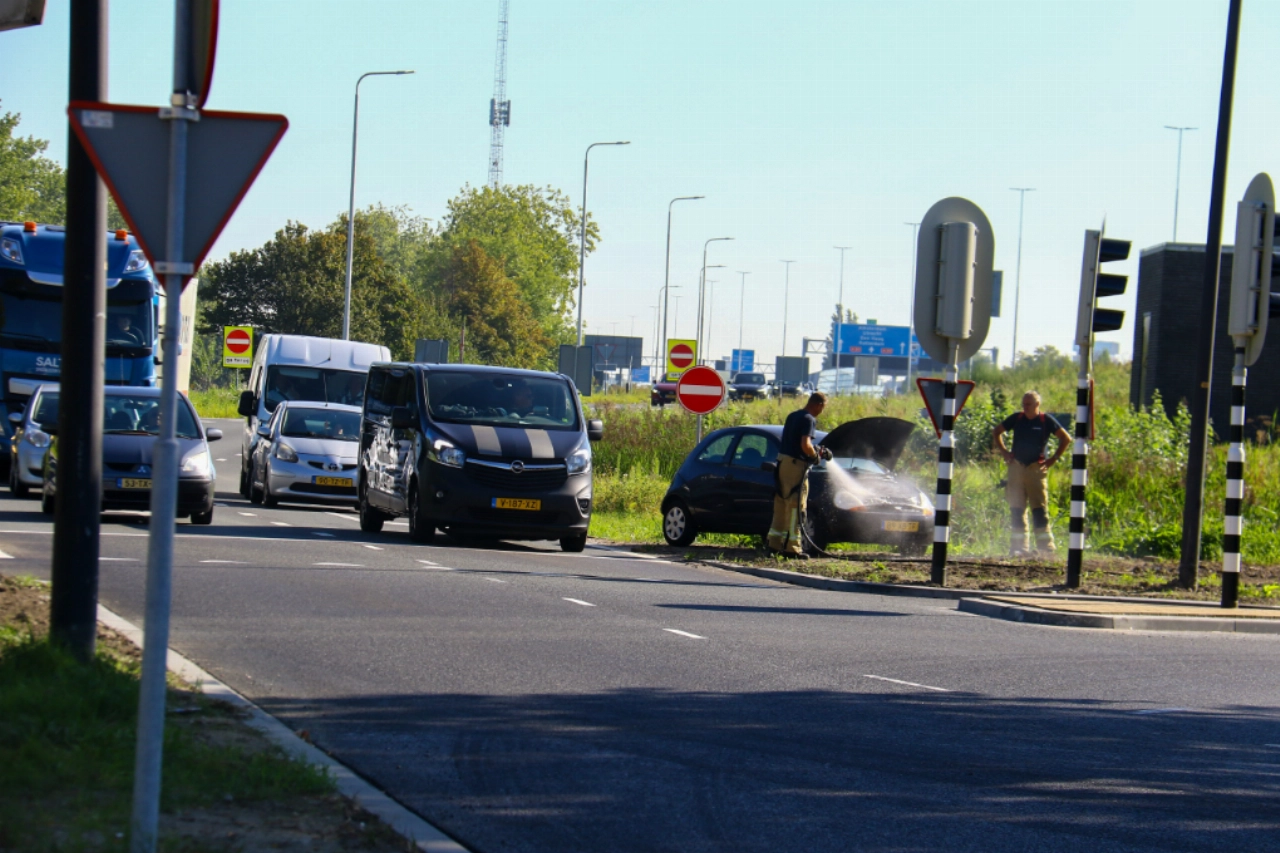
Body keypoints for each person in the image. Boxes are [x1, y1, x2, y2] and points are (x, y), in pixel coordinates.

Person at [992, 390, 1071, 555]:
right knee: (1016, 508)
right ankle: (1018, 547)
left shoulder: (1045, 421)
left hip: (1036, 469)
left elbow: (1066, 438)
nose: (1024, 407)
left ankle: (1045, 548)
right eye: (1023, 404)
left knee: (1039, 509)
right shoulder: (1017, 418)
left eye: (1028, 404)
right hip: (1016, 468)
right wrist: (1005, 452)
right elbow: (996, 431)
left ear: (1037, 405)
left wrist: (1054, 459)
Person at [767, 391, 832, 558]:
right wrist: (815, 456)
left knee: (782, 502)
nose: (822, 411)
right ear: (819, 405)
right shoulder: (809, 419)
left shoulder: (793, 416)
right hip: (796, 466)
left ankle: (775, 544)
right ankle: (793, 548)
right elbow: (805, 444)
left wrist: (813, 450)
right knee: (796, 505)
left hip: (783, 463)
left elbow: (793, 441)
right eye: (823, 408)